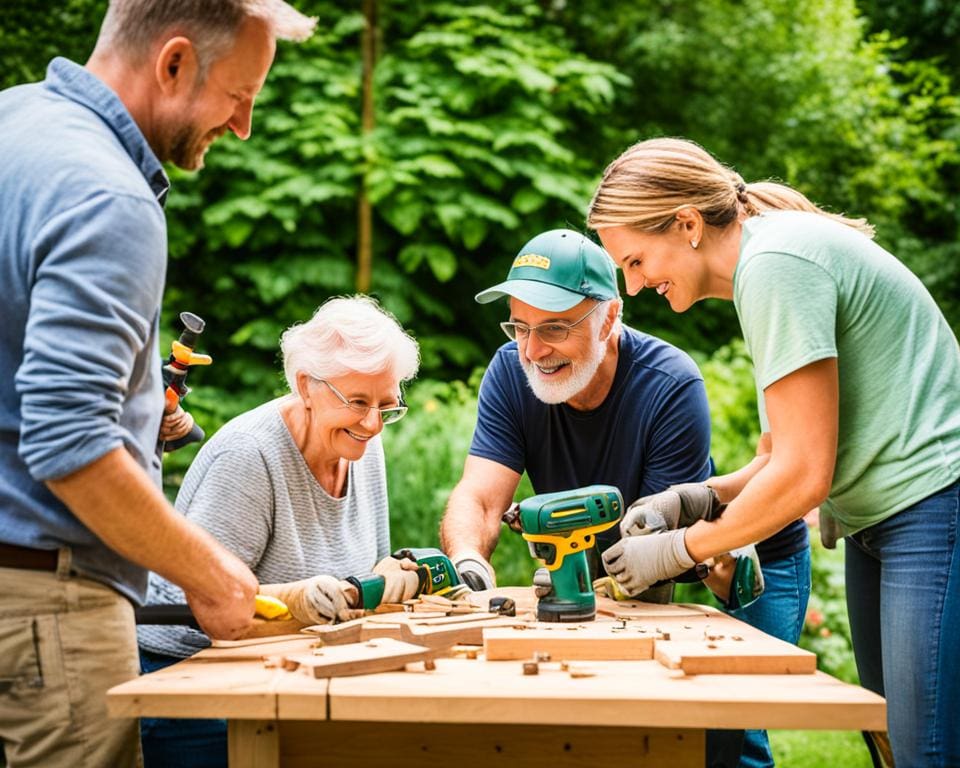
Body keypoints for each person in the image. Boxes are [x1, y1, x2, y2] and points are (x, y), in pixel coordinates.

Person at [0, 2, 315, 765]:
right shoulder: (109, 195)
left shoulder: (14, 125)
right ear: (173, 63)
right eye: (239, 97)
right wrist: (208, 573)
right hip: (49, 600)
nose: (242, 127)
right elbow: (69, 440)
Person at [587, 136, 960, 768]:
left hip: (931, 506)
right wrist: (698, 498)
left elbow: (804, 477)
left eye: (636, 259)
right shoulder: (767, 263)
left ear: (687, 224)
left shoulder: (777, 264)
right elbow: (778, 454)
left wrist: (677, 551)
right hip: (884, 519)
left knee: (926, 750)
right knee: (890, 743)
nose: (636, 284)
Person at [440, 229, 804, 768]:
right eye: (519, 326)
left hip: (739, 555)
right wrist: (469, 562)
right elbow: (481, 498)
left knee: (727, 737)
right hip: (628, 565)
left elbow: (657, 559)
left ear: (609, 319)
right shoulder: (510, 370)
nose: (532, 349)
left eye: (554, 328)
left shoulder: (669, 382)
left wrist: (580, 594)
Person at [137, 295, 421, 767]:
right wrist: (294, 601)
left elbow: (359, 589)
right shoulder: (249, 456)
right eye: (357, 402)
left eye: (387, 405)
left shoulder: (362, 445)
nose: (373, 424)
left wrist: (386, 577)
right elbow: (202, 607)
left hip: (292, 672)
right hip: (193, 688)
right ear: (307, 386)